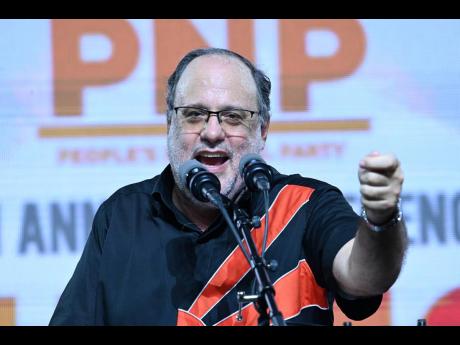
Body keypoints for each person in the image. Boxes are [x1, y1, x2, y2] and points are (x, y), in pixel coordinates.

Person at [49, 47, 407, 326]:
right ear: (169, 123)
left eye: (234, 117)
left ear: (263, 131)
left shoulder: (305, 205)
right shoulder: (123, 215)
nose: (213, 132)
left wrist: (380, 220)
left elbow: (365, 278)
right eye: (194, 114)